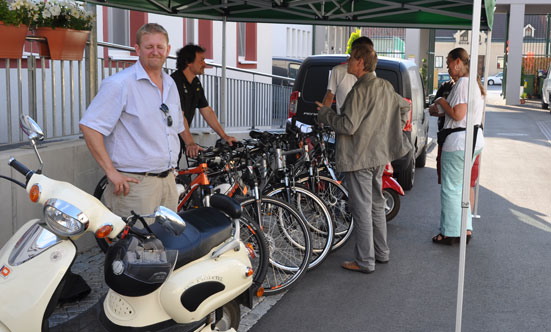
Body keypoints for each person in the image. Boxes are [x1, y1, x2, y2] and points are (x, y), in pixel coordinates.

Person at [316, 43, 411, 274]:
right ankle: (382, 253)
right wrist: (389, 131)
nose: (347, 61)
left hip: (359, 157)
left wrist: (325, 113)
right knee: (377, 205)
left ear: (361, 62)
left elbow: (348, 126)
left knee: (361, 208)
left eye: (351, 58)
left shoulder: (360, 90)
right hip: (378, 156)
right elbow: (404, 108)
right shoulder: (385, 86)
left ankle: (365, 261)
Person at [80, 23, 185, 217]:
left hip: (168, 181)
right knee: (137, 246)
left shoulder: (170, 83)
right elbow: (90, 127)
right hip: (136, 185)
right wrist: (111, 172)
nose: (155, 51)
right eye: (149, 47)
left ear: (168, 50)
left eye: (160, 47)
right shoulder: (120, 84)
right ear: (137, 49)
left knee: (167, 243)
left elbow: (176, 124)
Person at [431, 47, 485, 245]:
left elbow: (457, 114)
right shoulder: (472, 83)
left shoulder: (463, 83)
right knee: (460, 188)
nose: (447, 67)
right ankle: (465, 229)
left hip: (458, 142)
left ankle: (450, 232)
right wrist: (442, 107)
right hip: (471, 140)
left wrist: (441, 100)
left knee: (451, 189)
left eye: (448, 63)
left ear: (458, 62)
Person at [171, 44, 237, 160]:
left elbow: (206, 110)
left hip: (180, 139)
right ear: (188, 62)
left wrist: (224, 136)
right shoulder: (174, 82)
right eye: (201, 60)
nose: (205, 65)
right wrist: (190, 143)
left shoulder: (195, 82)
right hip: (168, 140)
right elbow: (179, 115)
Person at [321, 37, 374, 112]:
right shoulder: (338, 71)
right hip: (343, 122)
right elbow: (329, 97)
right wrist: (323, 116)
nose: (348, 60)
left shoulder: (372, 75)